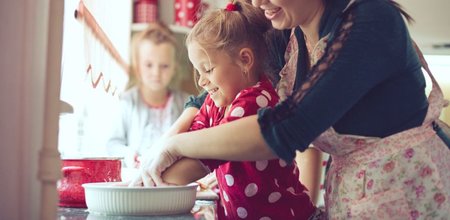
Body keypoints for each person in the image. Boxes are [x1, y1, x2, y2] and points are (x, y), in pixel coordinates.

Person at [142, 0, 450, 219]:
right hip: (355, 197)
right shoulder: (287, 34)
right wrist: (162, 148)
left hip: (413, 192)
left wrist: (176, 144)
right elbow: (211, 91)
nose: (257, 2)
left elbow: (287, 128)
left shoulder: (372, 21)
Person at [131, 1, 317, 219]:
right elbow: (194, 134)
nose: (201, 81)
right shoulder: (216, 100)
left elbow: (202, 159)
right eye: (198, 71)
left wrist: (147, 180)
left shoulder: (255, 101)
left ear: (245, 60)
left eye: (208, 69)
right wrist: (158, 157)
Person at [106, 22, 189, 168]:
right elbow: (113, 144)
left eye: (164, 66)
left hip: (174, 178)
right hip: (136, 177)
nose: (156, 73)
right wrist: (128, 154)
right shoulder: (127, 101)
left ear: (174, 68)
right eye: (149, 65)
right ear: (138, 66)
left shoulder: (186, 104)